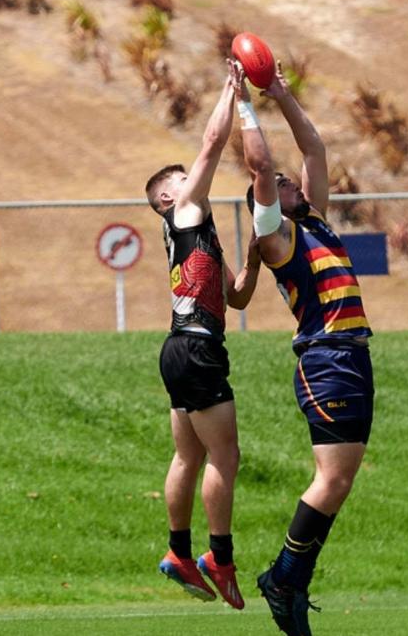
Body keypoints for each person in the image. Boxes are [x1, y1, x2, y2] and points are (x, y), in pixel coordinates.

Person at [229, 59, 374, 635]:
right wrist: (243, 101)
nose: (291, 178)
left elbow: (312, 149)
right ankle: (285, 577)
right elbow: (261, 163)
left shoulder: (312, 220)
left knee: (340, 480)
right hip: (326, 357)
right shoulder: (276, 239)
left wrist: (282, 93)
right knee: (331, 479)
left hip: (353, 355)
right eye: (279, 185)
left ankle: (290, 578)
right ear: (263, 206)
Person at [145, 69, 261, 611]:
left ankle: (178, 553)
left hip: (180, 346)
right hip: (195, 347)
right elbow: (213, 141)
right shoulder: (184, 209)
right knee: (226, 455)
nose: (196, 179)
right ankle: (219, 556)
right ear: (168, 196)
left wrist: (258, 250)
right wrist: (231, 92)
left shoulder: (201, 234)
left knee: (187, 456)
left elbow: (237, 296)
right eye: (184, 177)